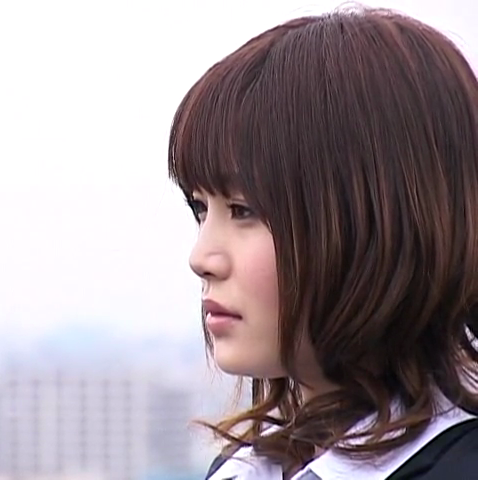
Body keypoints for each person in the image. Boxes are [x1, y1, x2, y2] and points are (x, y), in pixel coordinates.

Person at [167, 6, 478, 480]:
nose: (202, 259)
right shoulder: (252, 469)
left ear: (378, 218)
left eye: (244, 210)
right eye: (200, 209)